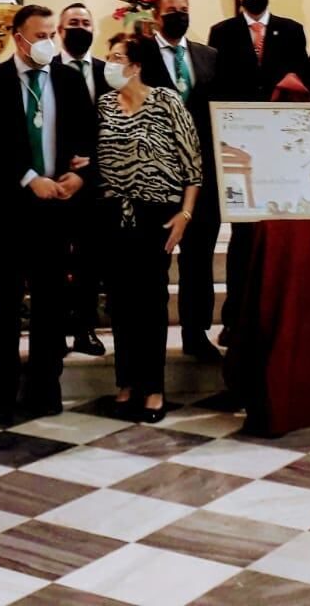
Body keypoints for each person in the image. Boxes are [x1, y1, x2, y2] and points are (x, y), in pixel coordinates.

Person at [0, 5, 95, 425]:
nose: (47, 42)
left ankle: (45, 386)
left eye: (50, 34)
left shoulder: (70, 81)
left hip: (57, 209)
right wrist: (27, 178)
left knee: (51, 302)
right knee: (4, 302)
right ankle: (0, 392)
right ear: (17, 37)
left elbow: (86, 138)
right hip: (9, 209)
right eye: (38, 35)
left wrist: (78, 177)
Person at [96, 33, 200, 422]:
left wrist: (185, 215)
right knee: (121, 304)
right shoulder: (105, 104)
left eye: (117, 56)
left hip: (157, 215)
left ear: (136, 65)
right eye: (108, 56)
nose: (109, 63)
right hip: (114, 216)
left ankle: (154, 389)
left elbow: (193, 165)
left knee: (150, 303)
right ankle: (126, 383)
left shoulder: (167, 101)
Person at [208, 0, 309, 348]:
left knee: (279, 233)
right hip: (241, 143)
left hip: (280, 144)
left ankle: (280, 313)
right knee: (244, 235)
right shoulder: (223, 32)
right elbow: (218, 84)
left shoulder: (292, 29)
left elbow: (304, 77)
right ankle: (236, 316)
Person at [139, 0, 221, 363]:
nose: (178, 16)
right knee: (154, 258)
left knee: (199, 257)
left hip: (202, 176)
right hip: (157, 174)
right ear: (157, 16)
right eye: (171, 11)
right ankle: (151, 333)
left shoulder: (209, 56)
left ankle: (195, 330)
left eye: (184, 10)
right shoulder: (140, 55)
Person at [55, 2, 109, 356]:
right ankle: (56, 326)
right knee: (55, 258)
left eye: (86, 22)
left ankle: (86, 327)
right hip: (55, 179)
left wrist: (89, 169)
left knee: (91, 259)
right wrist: (65, 167)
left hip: (96, 181)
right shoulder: (46, 68)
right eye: (72, 23)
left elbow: (117, 126)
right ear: (59, 31)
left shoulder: (109, 72)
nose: (80, 28)